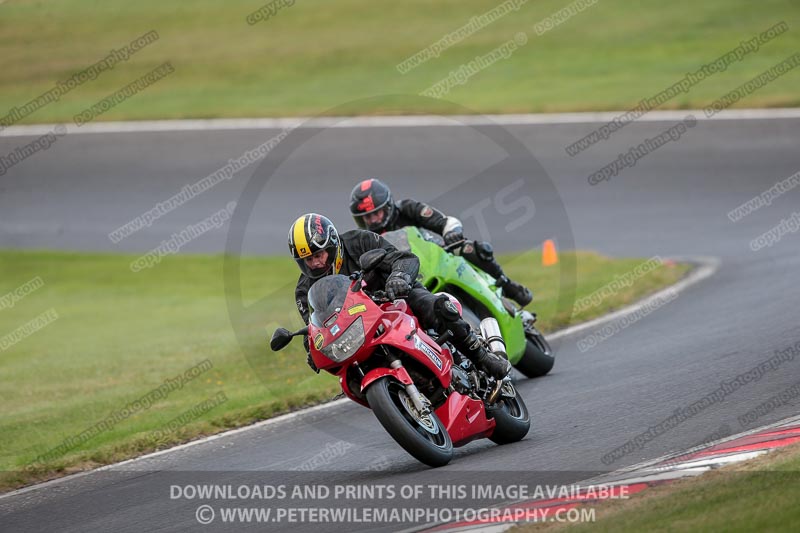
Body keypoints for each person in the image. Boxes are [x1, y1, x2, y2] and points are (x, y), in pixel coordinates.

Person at [289, 213, 511, 379]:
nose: (315, 263)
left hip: (395, 299)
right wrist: (313, 350)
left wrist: (399, 277)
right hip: (360, 326)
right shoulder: (303, 290)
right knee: (349, 373)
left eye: (318, 254)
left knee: (435, 305)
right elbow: (314, 327)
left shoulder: (358, 241)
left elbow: (404, 258)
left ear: (333, 245)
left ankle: (482, 357)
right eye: (308, 260)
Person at [348, 178, 533, 307]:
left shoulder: (407, 209)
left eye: (376, 213)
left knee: (469, 248)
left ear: (388, 206)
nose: (372, 220)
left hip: (437, 255)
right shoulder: (366, 238)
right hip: (409, 277)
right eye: (366, 217)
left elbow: (445, 221)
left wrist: (451, 232)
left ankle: (508, 286)